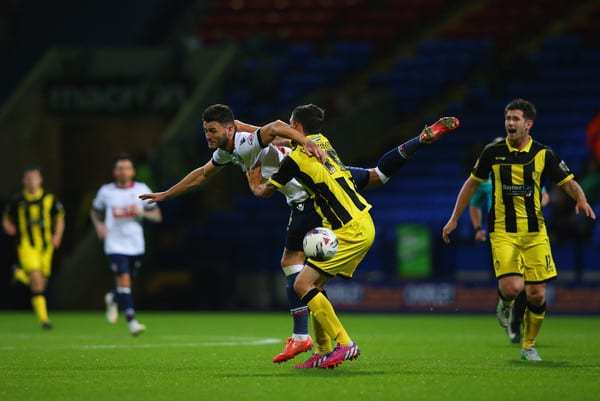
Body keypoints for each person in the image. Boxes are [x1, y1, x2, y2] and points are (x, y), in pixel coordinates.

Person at [140, 103, 459, 365]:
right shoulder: (320, 145)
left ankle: (314, 338)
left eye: (212, 130)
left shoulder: (288, 152)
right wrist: (166, 194)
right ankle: (318, 348)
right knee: (373, 180)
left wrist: (261, 173)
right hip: (333, 193)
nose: (207, 135)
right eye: (206, 131)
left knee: (299, 276)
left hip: (310, 204)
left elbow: (267, 154)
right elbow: (203, 173)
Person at [240, 104, 459, 363]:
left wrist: (252, 179)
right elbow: (277, 134)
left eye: (291, 124)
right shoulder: (323, 142)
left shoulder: (294, 160)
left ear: (296, 128)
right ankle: (322, 351)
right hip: (360, 219)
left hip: (349, 229)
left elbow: (263, 192)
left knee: (302, 284)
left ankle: (345, 343)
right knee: (315, 287)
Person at [442, 99, 596, 361]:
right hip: (503, 231)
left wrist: (580, 199)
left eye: (515, 119)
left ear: (528, 124)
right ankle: (504, 303)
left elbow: (568, 182)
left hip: (535, 233)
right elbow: (470, 186)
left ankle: (528, 346)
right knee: (513, 287)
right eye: (508, 119)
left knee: (537, 294)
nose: (510, 123)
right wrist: (454, 218)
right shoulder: (492, 152)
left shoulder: (543, 154)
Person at [468, 138, 550, 344]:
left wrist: (534, 205)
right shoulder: (485, 181)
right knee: (515, 285)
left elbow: (545, 195)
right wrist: (478, 228)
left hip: (529, 231)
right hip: (501, 234)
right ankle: (510, 313)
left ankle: (516, 322)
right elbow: (474, 205)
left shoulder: (525, 173)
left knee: (527, 284)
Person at [91, 154, 162, 336]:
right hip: (114, 244)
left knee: (127, 281)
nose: (123, 171)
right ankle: (132, 321)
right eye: (120, 168)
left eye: (127, 168)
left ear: (133, 171)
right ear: (114, 172)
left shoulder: (141, 189)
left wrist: (143, 213)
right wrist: (99, 226)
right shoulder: (106, 191)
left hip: (135, 244)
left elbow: (157, 216)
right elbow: (95, 211)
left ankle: (113, 297)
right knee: (124, 279)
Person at [2, 166, 65, 329]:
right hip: (27, 245)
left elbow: (60, 218)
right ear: (24, 181)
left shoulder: (50, 199)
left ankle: (19, 274)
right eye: (28, 179)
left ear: (40, 180)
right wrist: (8, 226)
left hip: (46, 247)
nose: (31, 182)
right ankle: (45, 320)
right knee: (36, 280)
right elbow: (6, 217)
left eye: (34, 178)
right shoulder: (17, 200)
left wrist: (57, 235)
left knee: (41, 283)